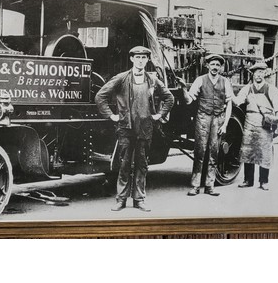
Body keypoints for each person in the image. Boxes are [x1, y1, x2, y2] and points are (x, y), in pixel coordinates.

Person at [95, 46, 174, 212]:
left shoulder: (152, 80)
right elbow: (100, 96)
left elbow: (169, 97)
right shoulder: (122, 78)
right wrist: (112, 115)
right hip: (126, 128)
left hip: (145, 129)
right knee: (124, 165)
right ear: (132, 59)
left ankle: (139, 200)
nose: (140, 60)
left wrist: (159, 115)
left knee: (142, 165)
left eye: (144, 58)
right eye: (137, 57)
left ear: (147, 60)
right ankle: (121, 200)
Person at [178, 53, 233, 196]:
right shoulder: (200, 80)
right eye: (212, 64)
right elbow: (189, 100)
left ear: (220, 67)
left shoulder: (225, 82)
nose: (215, 67)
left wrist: (225, 124)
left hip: (218, 119)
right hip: (202, 118)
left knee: (214, 153)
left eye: (217, 65)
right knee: (200, 152)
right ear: (207, 66)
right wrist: (184, 89)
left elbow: (229, 103)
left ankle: (210, 185)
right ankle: (195, 185)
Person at [232, 62, 278, 190]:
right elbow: (238, 101)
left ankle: (263, 181)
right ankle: (248, 180)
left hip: (265, 123)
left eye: (261, 72)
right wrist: (229, 93)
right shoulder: (247, 89)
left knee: (265, 152)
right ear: (253, 74)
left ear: (265, 73)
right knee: (248, 151)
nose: (259, 75)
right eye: (256, 72)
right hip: (250, 122)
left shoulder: (271, 89)